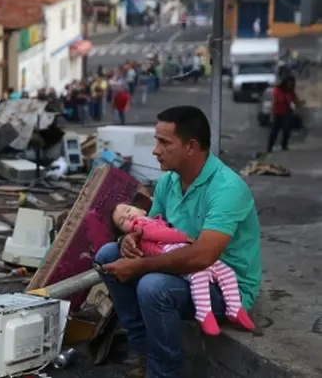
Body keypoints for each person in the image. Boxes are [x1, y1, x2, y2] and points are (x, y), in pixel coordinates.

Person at [95, 105, 261, 378]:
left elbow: (202, 257)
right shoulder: (168, 182)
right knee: (107, 254)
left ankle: (165, 372)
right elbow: (150, 228)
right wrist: (128, 239)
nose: (155, 150)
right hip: (182, 270)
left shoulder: (227, 189)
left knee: (152, 286)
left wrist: (140, 265)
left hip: (223, 284)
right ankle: (146, 353)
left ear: (191, 147)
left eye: (164, 142)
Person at [110, 203, 255, 336]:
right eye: (123, 221)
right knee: (198, 275)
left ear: (142, 209)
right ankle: (204, 313)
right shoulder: (141, 225)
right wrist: (185, 237)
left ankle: (235, 308)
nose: (128, 216)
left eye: (128, 210)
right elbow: (161, 234)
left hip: (186, 252)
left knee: (226, 272)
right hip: (171, 254)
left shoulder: (153, 219)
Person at [267, 75, 300, 153]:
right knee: (274, 131)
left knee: (287, 129)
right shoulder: (277, 90)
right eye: (288, 83)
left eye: (291, 84)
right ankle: (269, 147)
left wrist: (301, 105)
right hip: (277, 113)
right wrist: (271, 116)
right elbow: (273, 103)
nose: (290, 85)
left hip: (287, 112)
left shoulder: (291, 92)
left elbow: (296, 101)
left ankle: (284, 145)